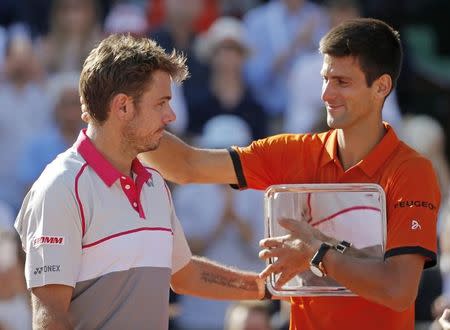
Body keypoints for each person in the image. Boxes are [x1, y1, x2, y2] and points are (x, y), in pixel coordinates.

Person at [140, 18, 440, 330]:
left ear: (382, 87)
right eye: (325, 79)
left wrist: (317, 253)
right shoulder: (294, 152)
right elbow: (186, 165)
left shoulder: (411, 171)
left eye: (342, 82)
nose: (325, 94)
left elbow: (398, 289)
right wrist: (128, 117)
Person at [14, 34, 266, 330]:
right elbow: (50, 318)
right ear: (122, 107)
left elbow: (187, 275)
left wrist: (267, 287)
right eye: (161, 103)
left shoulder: (154, 184)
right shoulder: (61, 186)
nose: (171, 116)